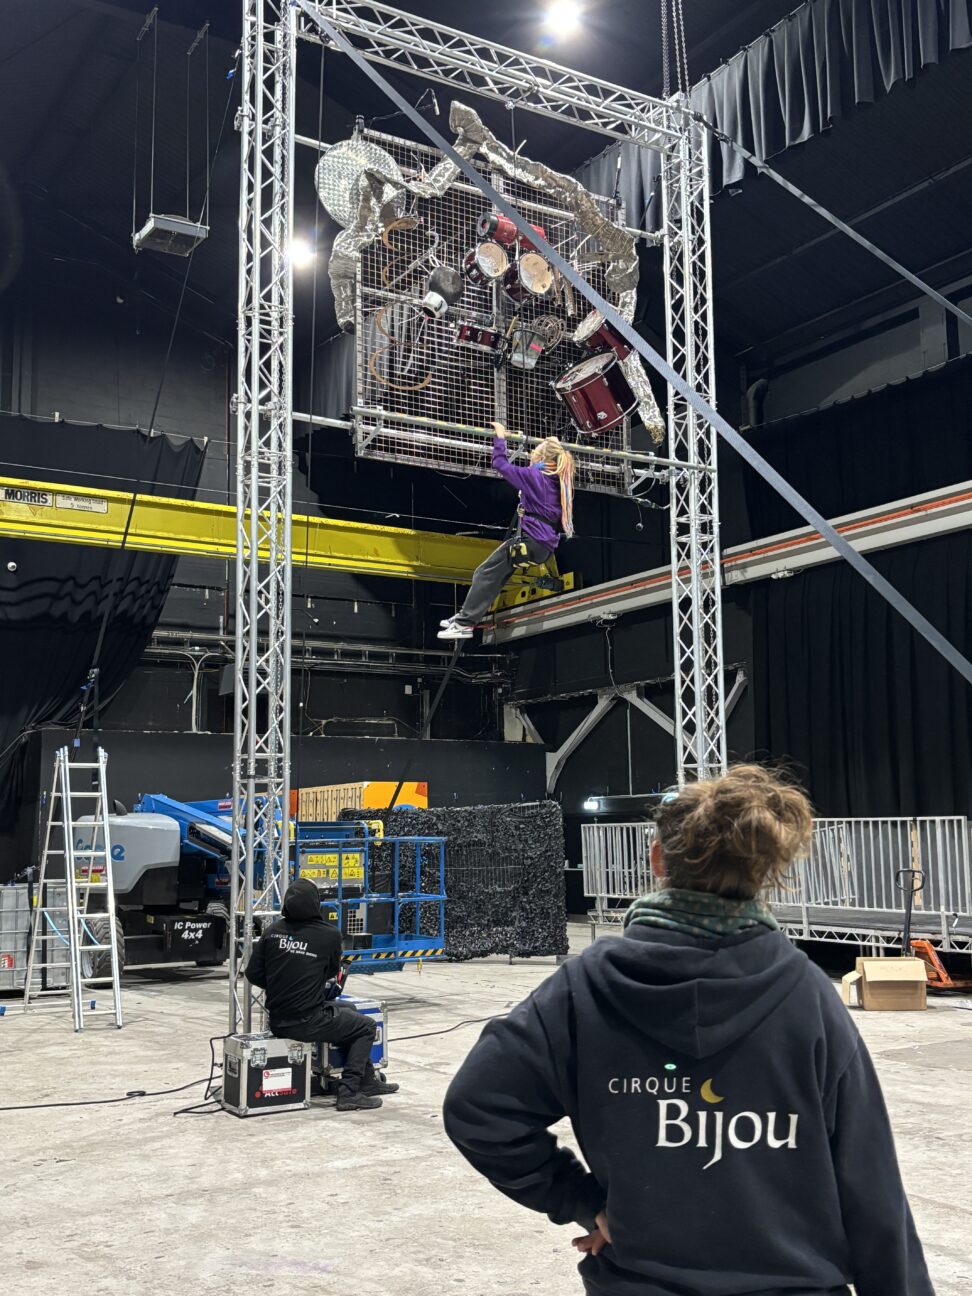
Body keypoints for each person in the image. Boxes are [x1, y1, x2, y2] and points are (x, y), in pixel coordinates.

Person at [442, 765, 934, 1296]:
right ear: (764, 871)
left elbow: (478, 1107)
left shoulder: (582, 988)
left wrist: (580, 1200)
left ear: (656, 858)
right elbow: (871, 1183)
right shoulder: (807, 995)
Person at [245, 876, 398, 1113]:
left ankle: (366, 1081)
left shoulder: (272, 932)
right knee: (366, 1027)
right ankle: (349, 1092)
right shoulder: (329, 935)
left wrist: (280, 983)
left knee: (351, 1012)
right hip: (308, 1020)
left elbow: (253, 974)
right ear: (316, 904)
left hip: (279, 1020)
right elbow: (331, 973)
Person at [438, 420, 574, 641]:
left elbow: (500, 464)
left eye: (534, 453)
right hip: (541, 547)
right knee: (495, 578)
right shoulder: (557, 482)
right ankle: (466, 618)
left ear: (542, 458)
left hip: (532, 542)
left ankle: (464, 623)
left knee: (484, 573)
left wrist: (500, 438)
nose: (531, 455)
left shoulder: (535, 477)